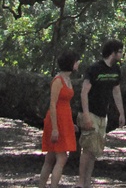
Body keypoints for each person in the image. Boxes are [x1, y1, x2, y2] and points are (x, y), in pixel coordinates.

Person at [76, 39, 125, 188]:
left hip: (103, 114)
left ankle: (87, 182)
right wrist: (85, 115)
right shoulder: (94, 68)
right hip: (90, 112)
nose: (122, 54)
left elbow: (116, 92)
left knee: (94, 151)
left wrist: (121, 113)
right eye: (120, 51)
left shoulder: (116, 70)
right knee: (88, 149)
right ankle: (80, 182)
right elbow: (84, 92)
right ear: (113, 53)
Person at [39, 48, 80, 188]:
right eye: (76, 61)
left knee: (50, 158)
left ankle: (42, 185)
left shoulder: (68, 79)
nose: (78, 63)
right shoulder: (58, 80)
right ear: (71, 63)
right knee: (61, 157)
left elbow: (66, 104)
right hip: (55, 120)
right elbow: (52, 104)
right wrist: (55, 129)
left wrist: (71, 123)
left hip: (65, 119)